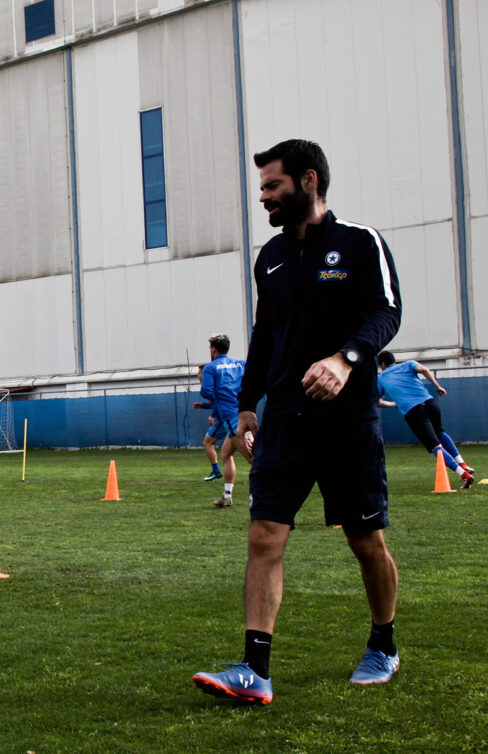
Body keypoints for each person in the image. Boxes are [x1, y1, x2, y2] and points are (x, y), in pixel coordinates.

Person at [192, 139, 403, 705]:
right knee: (264, 535)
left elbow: (388, 313)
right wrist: (245, 405)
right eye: (262, 188)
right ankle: (254, 668)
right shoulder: (272, 257)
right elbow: (266, 336)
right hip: (284, 418)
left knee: (365, 541)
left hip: (348, 420)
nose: (263, 198)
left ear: (308, 181)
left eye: (272, 187)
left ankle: (383, 644)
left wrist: (345, 359)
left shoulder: (361, 243)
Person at [377, 351, 474, 487]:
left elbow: (377, 401)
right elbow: (423, 369)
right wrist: (437, 386)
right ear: (394, 360)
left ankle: (464, 475)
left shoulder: (381, 377)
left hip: (413, 411)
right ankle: (463, 464)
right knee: (439, 432)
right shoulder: (409, 364)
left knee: (435, 445)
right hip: (430, 402)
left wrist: (394, 404)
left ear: (382, 364)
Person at [192, 335, 245, 505]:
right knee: (226, 454)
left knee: (253, 457)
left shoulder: (210, 368)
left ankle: (271, 496)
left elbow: (207, 391)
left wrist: (218, 402)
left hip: (229, 415)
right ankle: (227, 496)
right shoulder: (241, 364)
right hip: (243, 411)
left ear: (213, 349)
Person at [192, 364, 224, 482]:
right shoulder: (212, 384)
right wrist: (203, 405)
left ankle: (216, 471)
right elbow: (214, 404)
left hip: (224, 418)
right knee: (228, 451)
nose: (198, 376)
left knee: (207, 443)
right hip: (227, 417)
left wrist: (213, 415)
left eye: (199, 373)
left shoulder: (209, 387)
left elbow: (218, 402)